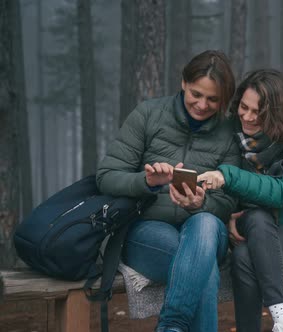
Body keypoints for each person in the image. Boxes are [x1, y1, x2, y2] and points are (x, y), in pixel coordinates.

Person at [96, 50, 239, 332]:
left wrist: (200, 204)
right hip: (147, 228)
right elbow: (106, 177)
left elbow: (229, 199)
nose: (202, 104)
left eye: (213, 99)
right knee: (202, 269)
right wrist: (147, 182)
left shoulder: (228, 132)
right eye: (196, 93)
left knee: (206, 224)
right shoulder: (148, 115)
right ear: (183, 82)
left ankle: (171, 325)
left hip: (206, 230)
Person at [197, 69, 283, 332]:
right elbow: (213, 185)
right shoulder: (230, 130)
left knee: (244, 257)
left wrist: (228, 176)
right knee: (255, 217)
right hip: (247, 225)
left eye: (259, 113)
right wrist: (228, 215)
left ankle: (280, 318)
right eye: (244, 107)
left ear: (277, 114)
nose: (248, 117)